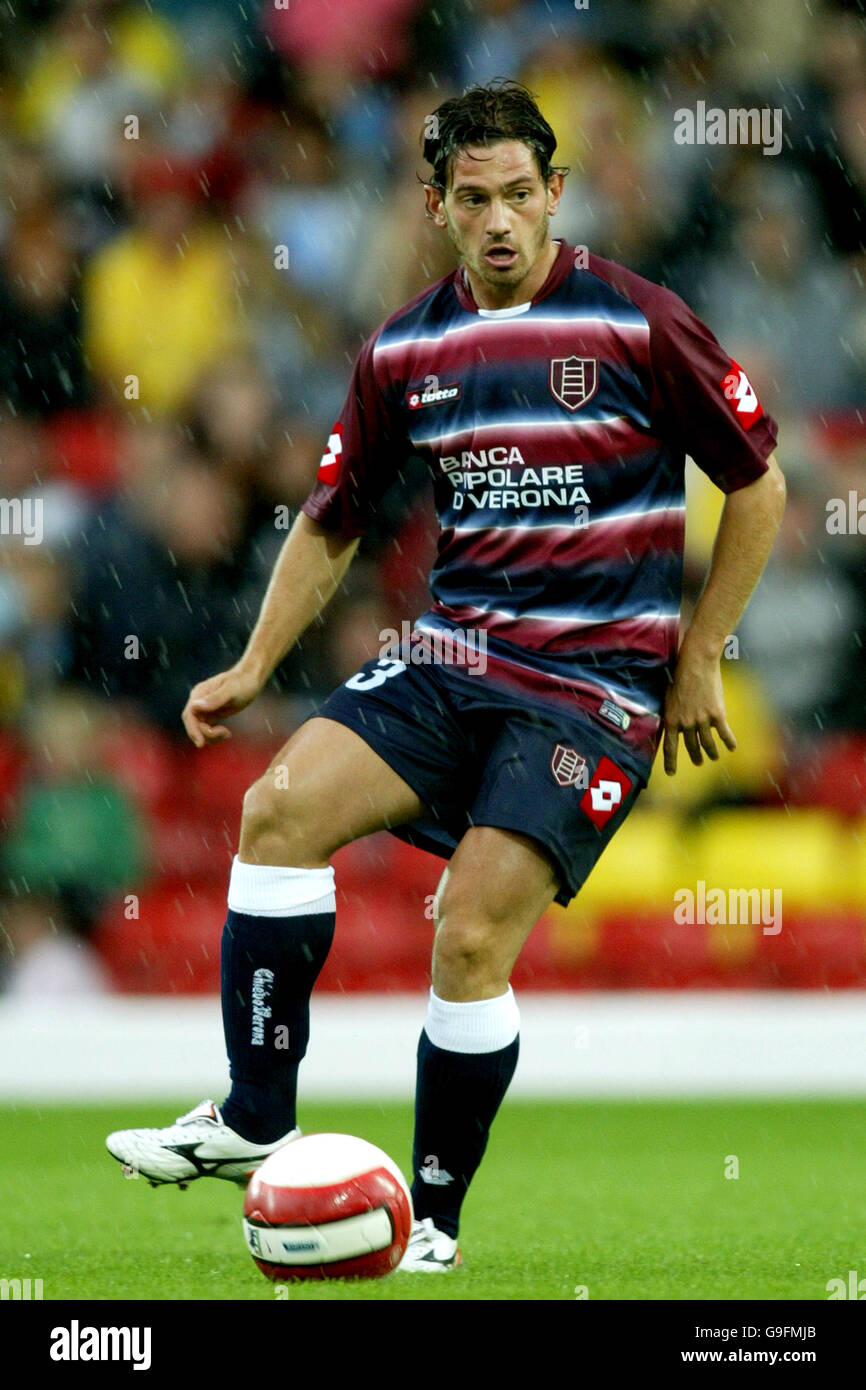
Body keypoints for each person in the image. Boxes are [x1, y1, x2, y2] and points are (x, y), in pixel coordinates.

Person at [106, 80, 786, 1272]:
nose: (500, 222)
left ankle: (433, 1220)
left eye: (520, 195)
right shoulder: (404, 347)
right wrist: (253, 661)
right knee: (272, 812)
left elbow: (757, 479)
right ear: (437, 206)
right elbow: (332, 520)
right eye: (473, 200)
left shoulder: (635, 320)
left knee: (465, 934)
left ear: (554, 193)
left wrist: (699, 657)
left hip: (591, 686)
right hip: (452, 655)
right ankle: (253, 1113)